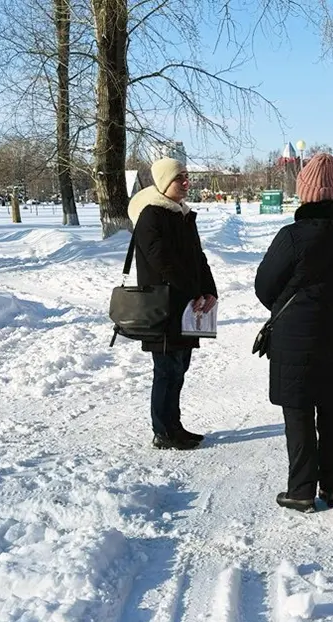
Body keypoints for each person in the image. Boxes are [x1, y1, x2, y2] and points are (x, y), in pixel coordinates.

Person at [254, 154, 333, 513]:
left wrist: (285, 308)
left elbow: (265, 284)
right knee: (331, 411)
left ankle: (301, 490)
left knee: (298, 412)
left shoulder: (292, 236)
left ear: (305, 194)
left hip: (295, 338)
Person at [128, 157, 218, 450]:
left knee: (180, 369)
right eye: (180, 177)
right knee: (166, 370)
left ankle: (174, 425)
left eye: (187, 176)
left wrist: (209, 290)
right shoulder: (151, 216)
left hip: (185, 306)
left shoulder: (184, 214)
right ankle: (162, 430)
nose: (186, 182)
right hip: (163, 307)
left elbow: (198, 258)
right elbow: (162, 262)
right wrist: (194, 291)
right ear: (165, 181)